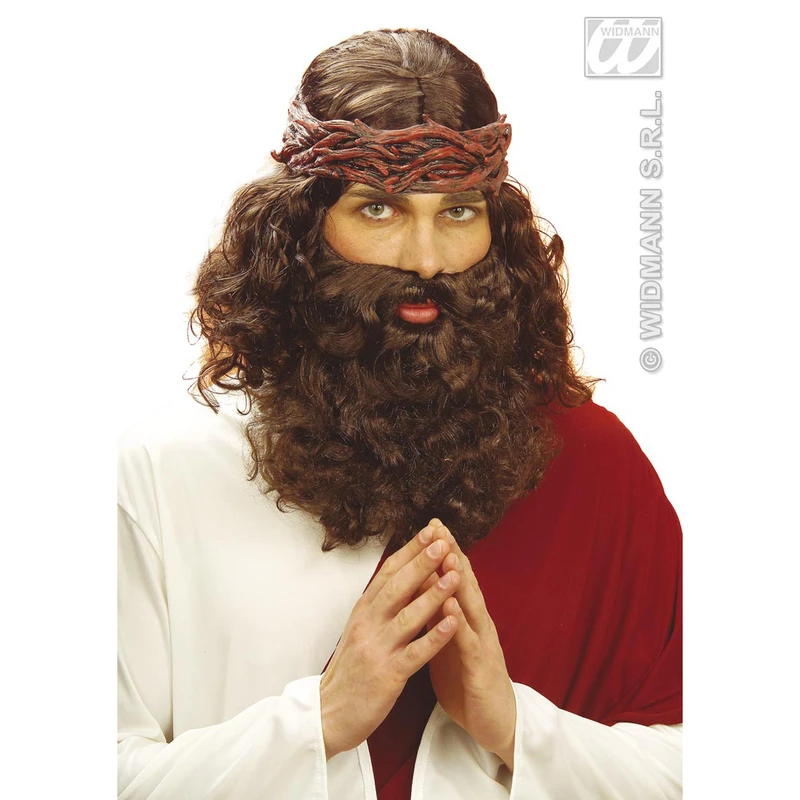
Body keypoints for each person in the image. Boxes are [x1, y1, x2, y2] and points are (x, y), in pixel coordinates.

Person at [118, 28, 682, 799]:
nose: (425, 259)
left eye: (458, 211)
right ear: (299, 228)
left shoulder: (591, 462)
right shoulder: (168, 469)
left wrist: (513, 727)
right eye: (379, 208)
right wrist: (318, 722)